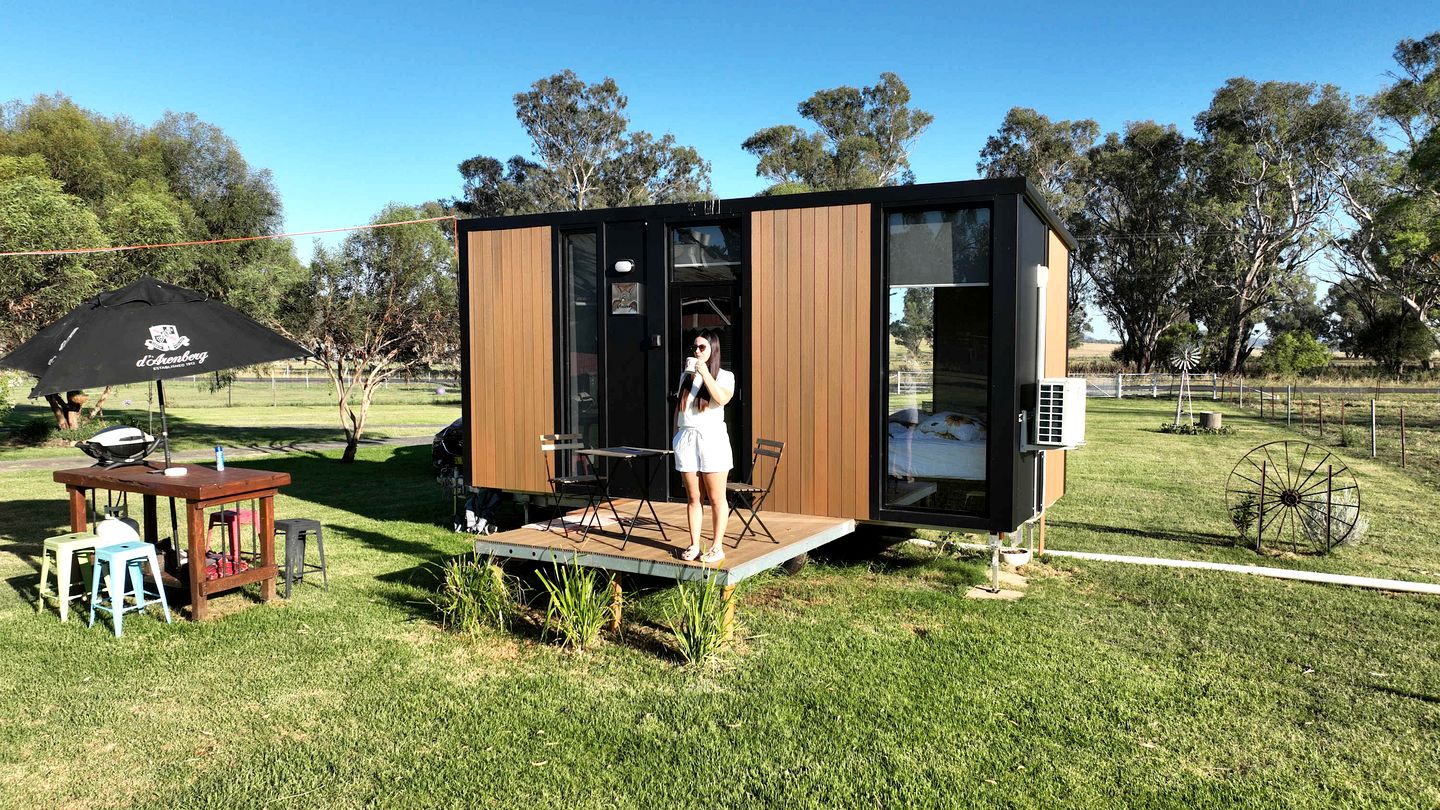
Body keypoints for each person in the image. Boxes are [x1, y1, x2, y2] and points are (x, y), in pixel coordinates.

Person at [672, 329, 735, 563]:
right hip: (687, 438)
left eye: (702, 347)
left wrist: (705, 372)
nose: (697, 351)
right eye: (694, 348)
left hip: (712, 439)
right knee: (693, 496)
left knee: (716, 497)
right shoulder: (685, 376)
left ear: (713, 349)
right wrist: (675, 437)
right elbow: (679, 409)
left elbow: (722, 398)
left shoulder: (725, 376)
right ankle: (694, 544)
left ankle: (717, 546)